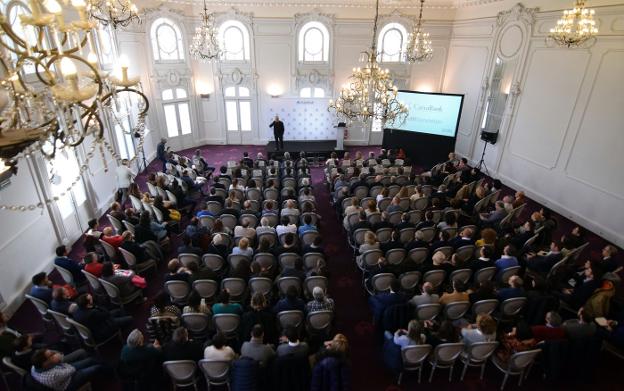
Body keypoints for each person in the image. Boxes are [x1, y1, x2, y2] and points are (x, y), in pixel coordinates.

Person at [30, 348, 105, 391]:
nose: (54, 354)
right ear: (45, 363)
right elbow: (72, 369)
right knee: (95, 367)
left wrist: (55, 358)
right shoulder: (53, 376)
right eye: (51, 356)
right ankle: (109, 372)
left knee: (89, 360)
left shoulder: (34, 367)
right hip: (68, 382)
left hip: (62, 369)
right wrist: (59, 360)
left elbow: (56, 355)